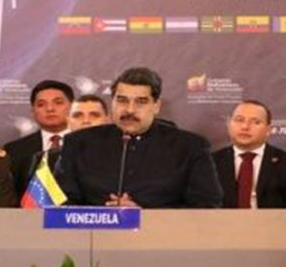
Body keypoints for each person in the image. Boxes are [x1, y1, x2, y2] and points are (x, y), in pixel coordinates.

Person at [56, 67, 221, 208]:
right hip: (91, 234)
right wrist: (103, 218)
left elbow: (206, 207)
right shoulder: (78, 143)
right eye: (122, 100)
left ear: (156, 106)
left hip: (161, 235)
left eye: (141, 102)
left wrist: (144, 216)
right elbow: (60, 203)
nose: (130, 110)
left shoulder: (190, 147)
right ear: (112, 102)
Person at [213, 100, 286, 208]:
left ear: (268, 130)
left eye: (256, 122)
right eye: (239, 120)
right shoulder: (210, 163)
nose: (245, 127)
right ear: (229, 124)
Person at [4, 80, 74, 196]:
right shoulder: (14, 150)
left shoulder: (88, 145)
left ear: (73, 107)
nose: (50, 109)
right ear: (33, 111)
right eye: (41, 104)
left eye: (58, 103)